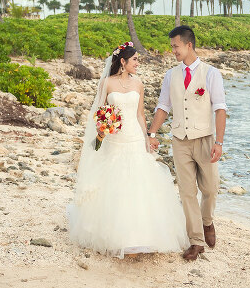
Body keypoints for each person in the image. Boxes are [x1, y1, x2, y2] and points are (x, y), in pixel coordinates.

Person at [66, 42, 190, 259]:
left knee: (138, 182)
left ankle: (142, 236)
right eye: (134, 60)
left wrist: (147, 137)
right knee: (115, 181)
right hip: (114, 139)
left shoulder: (139, 84)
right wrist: (103, 127)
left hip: (133, 137)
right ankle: (115, 236)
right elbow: (99, 110)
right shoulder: (106, 83)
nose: (137, 63)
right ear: (122, 62)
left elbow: (140, 114)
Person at [147, 26, 227, 261]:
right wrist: (152, 133)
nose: (173, 51)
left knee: (211, 188)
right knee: (187, 192)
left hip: (204, 138)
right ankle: (196, 241)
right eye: (172, 47)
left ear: (188, 45)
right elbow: (163, 106)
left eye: (175, 46)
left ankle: (207, 222)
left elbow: (220, 109)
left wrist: (219, 142)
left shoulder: (211, 74)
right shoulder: (171, 75)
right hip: (180, 140)